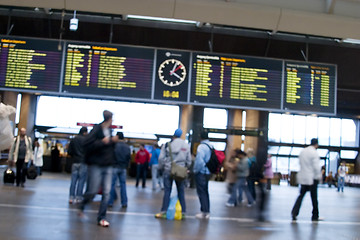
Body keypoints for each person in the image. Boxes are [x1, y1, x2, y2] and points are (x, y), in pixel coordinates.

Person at [79, 110, 117, 227]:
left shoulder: (110, 131)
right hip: (96, 164)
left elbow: (109, 146)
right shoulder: (96, 129)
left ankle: (102, 217)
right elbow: (87, 144)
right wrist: (102, 142)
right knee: (93, 190)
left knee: (106, 192)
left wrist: (111, 141)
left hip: (108, 164)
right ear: (109, 119)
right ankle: (82, 205)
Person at [155, 128, 191, 219]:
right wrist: (184, 167)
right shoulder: (186, 146)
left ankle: (164, 212)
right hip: (181, 171)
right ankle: (183, 213)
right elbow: (189, 161)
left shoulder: (167, 145)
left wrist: (162, 167)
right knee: (181, 191)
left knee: (167, 191)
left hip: (168, 170)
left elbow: (160, 159)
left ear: (173, 135)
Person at [291, 138, 322, 222]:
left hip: (303, 177)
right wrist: (319, 176)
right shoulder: (314, 153)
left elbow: (300, 163)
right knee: (314, 198)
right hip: (312, 178)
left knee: (301, 196)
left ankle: (294, 212)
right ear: (317, 144)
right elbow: (316, 167)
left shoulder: (303, 151)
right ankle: (315, 215)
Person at [108, 132, 131, 208]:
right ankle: (124, 202)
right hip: (123, 168)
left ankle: (110, 202)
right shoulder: (127, 147)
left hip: (114, 166)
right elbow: (128, 158)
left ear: (117, 137)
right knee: (123, 185)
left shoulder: (114, 146)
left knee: (112, 185)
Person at [193, 131, 212, 219]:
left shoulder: (201, 147)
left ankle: (204, 211)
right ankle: (207, 211)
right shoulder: (211, 146)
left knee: (201, 192)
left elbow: (199, 161)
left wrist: (195, 170)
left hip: (202, 172)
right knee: (205, 191)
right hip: (208, 172)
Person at [68, 127, 88, 204]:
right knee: (81, 180)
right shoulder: (86, 140)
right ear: (85, 132)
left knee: (73, 180)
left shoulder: (74, 139)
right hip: (83, 162)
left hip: (75, 161)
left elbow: (69, 151)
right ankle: (78, 197)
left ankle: (71, 197)